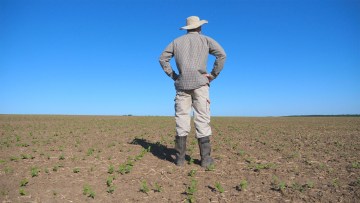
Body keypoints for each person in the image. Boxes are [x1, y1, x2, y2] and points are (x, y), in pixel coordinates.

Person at [159, 16, 226, 168]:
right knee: (202, 118)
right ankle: (205, 160)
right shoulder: (206, 40)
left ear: (187, 28)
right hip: (201, 84)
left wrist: (174, 76)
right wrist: (213, 75)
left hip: (182, 85)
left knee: (182, 119)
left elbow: (163, 59)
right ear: (200, 27)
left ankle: (180, 159)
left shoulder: (176, 42)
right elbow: (222, 55)